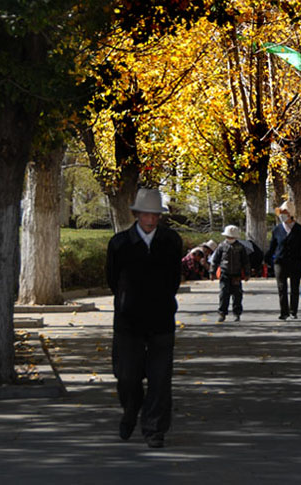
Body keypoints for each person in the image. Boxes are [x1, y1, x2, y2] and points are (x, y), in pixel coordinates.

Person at [106, 188, 183, 448]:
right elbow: (112, 280)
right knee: (127, 376)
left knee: (160, 377)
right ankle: (130, 410)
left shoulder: (171, 241)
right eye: (146, 214)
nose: (150, 220)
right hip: (129, 322)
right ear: (136, 214)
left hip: (161, 318)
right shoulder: (119, 244)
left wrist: (162, 299)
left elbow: (174, 278)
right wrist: (128, 300)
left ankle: (154, 429)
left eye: (155, 215)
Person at [265, 200, 301, 320]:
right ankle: (283, 311)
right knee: (281, 287)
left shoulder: (299, 230)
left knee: (294, 287)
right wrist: (266, 259)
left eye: (284, 212)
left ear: (290, 214)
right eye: (280, 212)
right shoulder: (277, 230)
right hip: (280, 262)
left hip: (295, 262)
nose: (282, 215)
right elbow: (272, 247)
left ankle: (293, 310)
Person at [209, 225, 249, 322]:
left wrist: (247, 273)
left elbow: (246, 261)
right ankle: (222, 313)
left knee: (237, 295)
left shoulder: (241, 247)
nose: (230, 239)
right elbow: (215, 260)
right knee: (223, 294)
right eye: (228, 237)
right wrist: (212, 272)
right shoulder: (221, 246)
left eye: (232, 237)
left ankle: (237, 313)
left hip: (236, 274)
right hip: (224, 273)